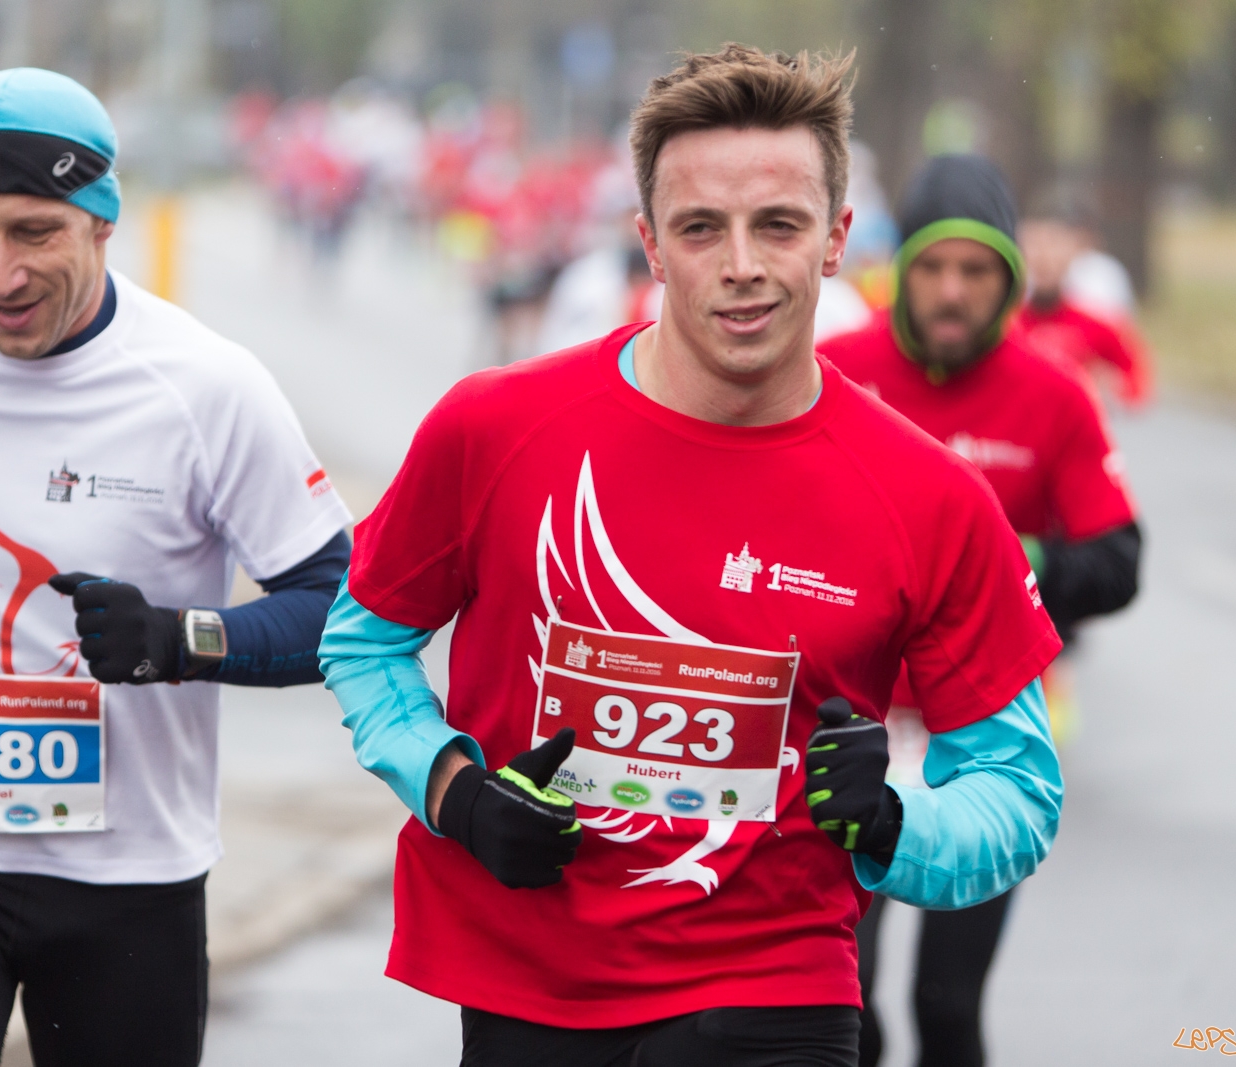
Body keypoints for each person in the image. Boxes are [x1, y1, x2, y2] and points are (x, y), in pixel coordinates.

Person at [320, 45, 1065, 1066]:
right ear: (650, 242)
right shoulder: (494, 428)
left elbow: (1016, 793)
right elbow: (364, 644)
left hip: (776, 989)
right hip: (529, 982)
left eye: (779, 225)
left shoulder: (929, 497)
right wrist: (452, 788)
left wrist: (893, 821)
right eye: (701, 227)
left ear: (839, 238)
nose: (742, 264)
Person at [0, 68, 352, 1067]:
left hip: (131, 874)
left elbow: (342, 605)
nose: (0, 273)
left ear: (100, 224)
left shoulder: (207, 387)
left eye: (35, 232)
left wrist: (182, 639)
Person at [819, 154, 1141, 1067]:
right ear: (900, 269)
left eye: (977, 271)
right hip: (854, 727)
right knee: (844, 1008)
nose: (952, 292)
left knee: (947, 1008)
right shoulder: (832, 375)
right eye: (932, 267)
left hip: (983, 737)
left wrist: (1005, 560)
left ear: (1010, 281)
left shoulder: (1053, 395)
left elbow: (1119, 561)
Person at [1014, 207, 1153, 410]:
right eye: (1034, 243)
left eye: (1053, 243)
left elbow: (1136, 377)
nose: (1043, 255)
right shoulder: (1005, 323)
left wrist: (1113, 389)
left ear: (1074, 249)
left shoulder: (1097, 322)